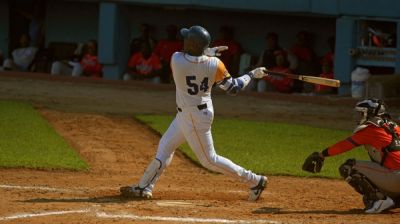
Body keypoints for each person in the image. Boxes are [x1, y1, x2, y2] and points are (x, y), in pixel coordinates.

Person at [120, 25, 268, 201]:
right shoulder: (215, 64)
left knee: (209, 160)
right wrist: (251, 74)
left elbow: (195, 58)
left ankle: (255, 181)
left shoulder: (176, 60)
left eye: (186, 39)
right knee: (165, 148)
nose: (183, 40)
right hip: (191, 114)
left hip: (194, 118)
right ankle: (144, 187)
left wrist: (207, 52)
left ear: (191, 44)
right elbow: (233, 88)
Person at [302, 99, 400, 214]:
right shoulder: (394, 127)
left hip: (395, 178)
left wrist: (322, 154)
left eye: (361, 113)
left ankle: (380, 200)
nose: (358, 116)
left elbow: (344, 145)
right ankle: (395, 200)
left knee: (348, 167)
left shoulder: (371, 129)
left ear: (370, 113)